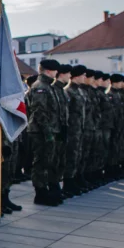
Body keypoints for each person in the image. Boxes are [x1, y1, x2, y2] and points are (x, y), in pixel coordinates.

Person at [28, 59, 62, 205]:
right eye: (55, 70)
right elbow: (39, 112)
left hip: (49, 130)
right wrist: (47, 132)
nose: (56, 73)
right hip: (40, 131)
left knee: (49, 161)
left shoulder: (48, 86)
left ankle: (48, 190)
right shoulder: (40, 86)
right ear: (48, 71)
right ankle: (40, 193)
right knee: (41, 162)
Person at [63, 65, 88, 196]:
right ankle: (68, 183)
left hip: (79, 129)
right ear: (77, 76)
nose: (85, 77)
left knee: (78, 155)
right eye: (83, 75)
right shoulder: (68, 91)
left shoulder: (80, 91)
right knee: (70, 156)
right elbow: (66, 113)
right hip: (72, 130)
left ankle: (74, 179)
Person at [51, 65, 72, 198]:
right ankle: (48, 190)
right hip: (50, 131)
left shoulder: (61, 90)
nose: (69, 76)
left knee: (60, 160)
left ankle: (57, 187)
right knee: (50, 161)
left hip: (61, 129)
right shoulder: (50, 89)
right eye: (68, 74)